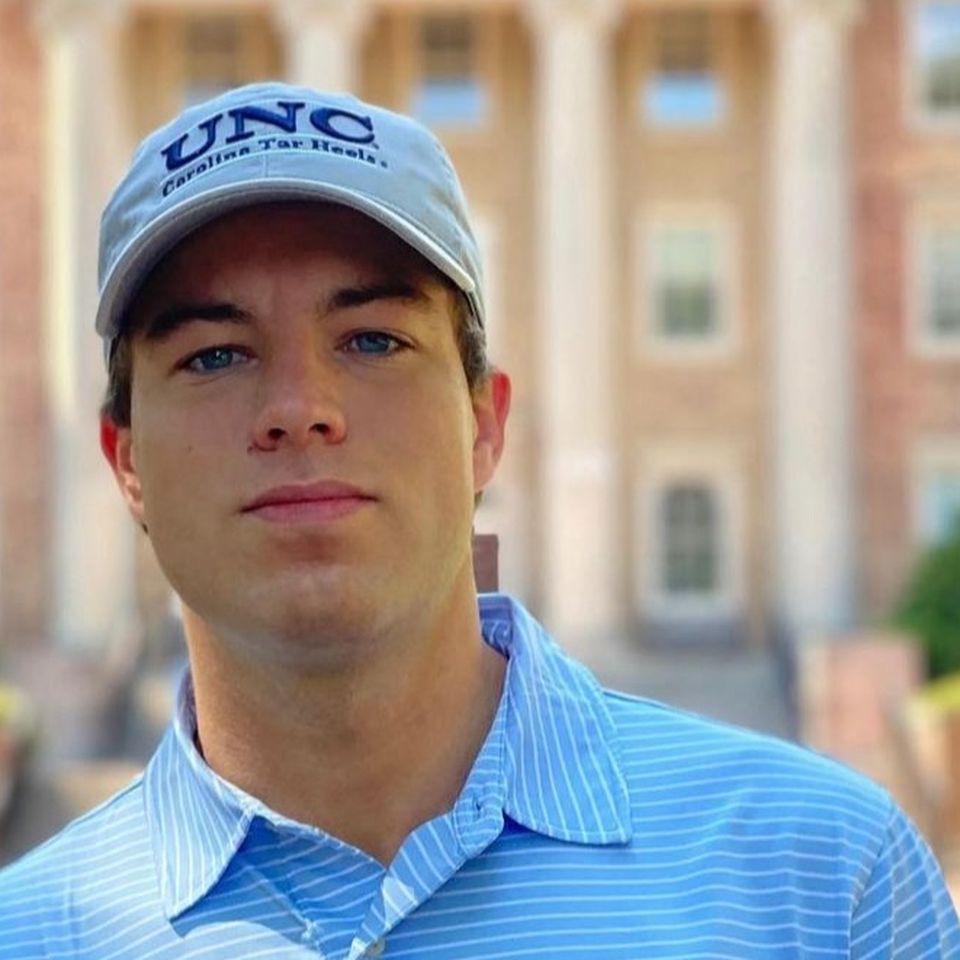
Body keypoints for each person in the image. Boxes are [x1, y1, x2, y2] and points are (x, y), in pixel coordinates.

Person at [0, 81, 957, 960]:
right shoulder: (32, 935)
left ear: (484, 427)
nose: (299, 407)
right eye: (214, 354)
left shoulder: (829, 882)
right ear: (127, 462)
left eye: (372, 339)